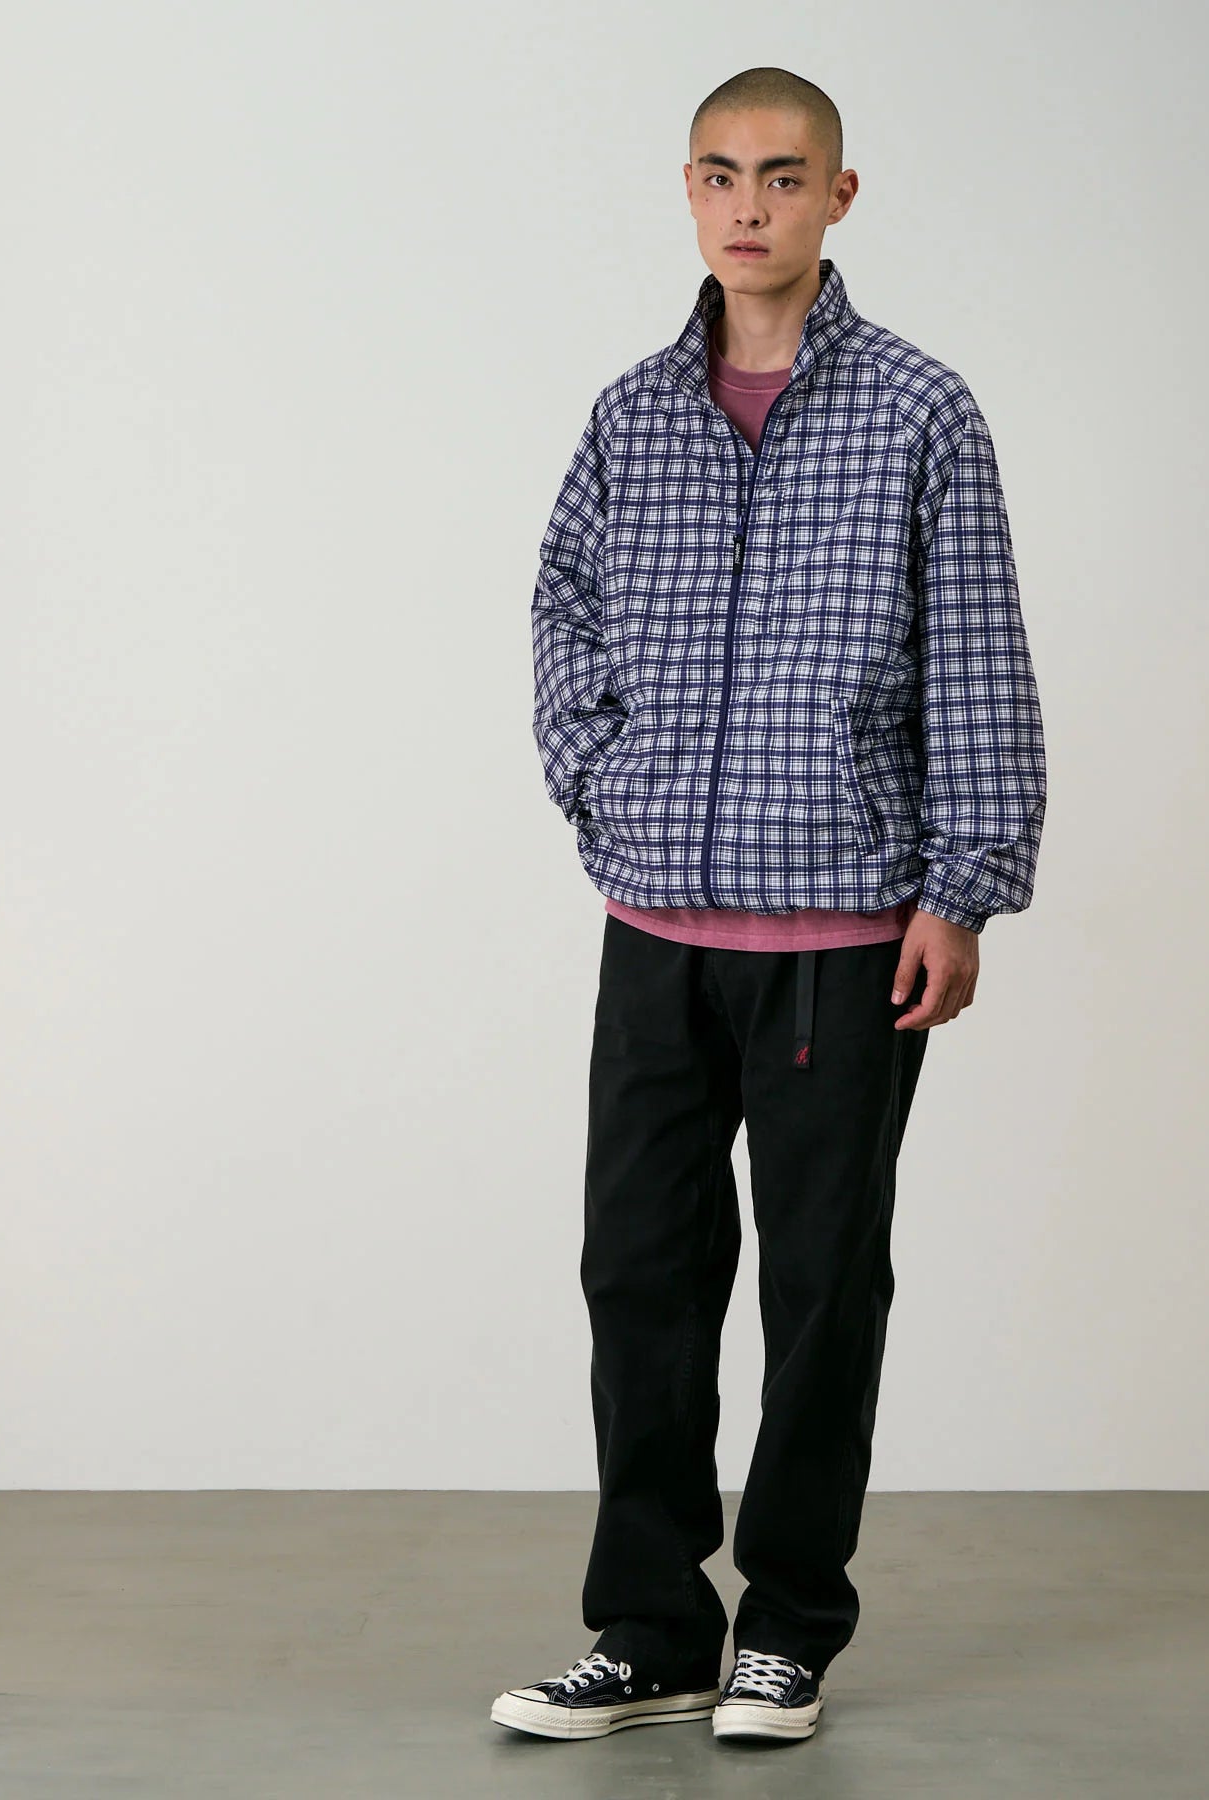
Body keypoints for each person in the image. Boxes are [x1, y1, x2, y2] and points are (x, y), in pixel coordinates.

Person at [492, 65, 1047, 1746]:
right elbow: (561, 613)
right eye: (723, 174)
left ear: (838, 196)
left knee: (822, 1290)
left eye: (785, 175)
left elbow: (978, 658)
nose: (752, 205)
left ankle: (788, 1628)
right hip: (656, 928)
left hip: (844, 937)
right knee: (639, 1275)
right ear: (689, 193)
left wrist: (962, 891)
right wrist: (608, 783)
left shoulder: (920, 411)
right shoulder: (630, 416)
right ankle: (652, 1626)